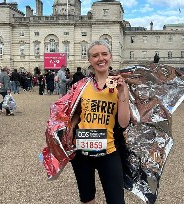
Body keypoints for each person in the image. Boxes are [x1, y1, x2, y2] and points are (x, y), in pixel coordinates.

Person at [68, 40, 130, 204]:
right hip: (82, 149)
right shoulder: (81, 85)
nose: (100, 58)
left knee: (116, 200)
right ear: (90, 60)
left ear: (110, 57)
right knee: (87, 199)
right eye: (95, 55)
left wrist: (122, 93)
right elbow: (77, 112)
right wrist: (71, 126)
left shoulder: (119, 84)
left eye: (104, 54)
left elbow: (123, 123)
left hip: (108, 150)